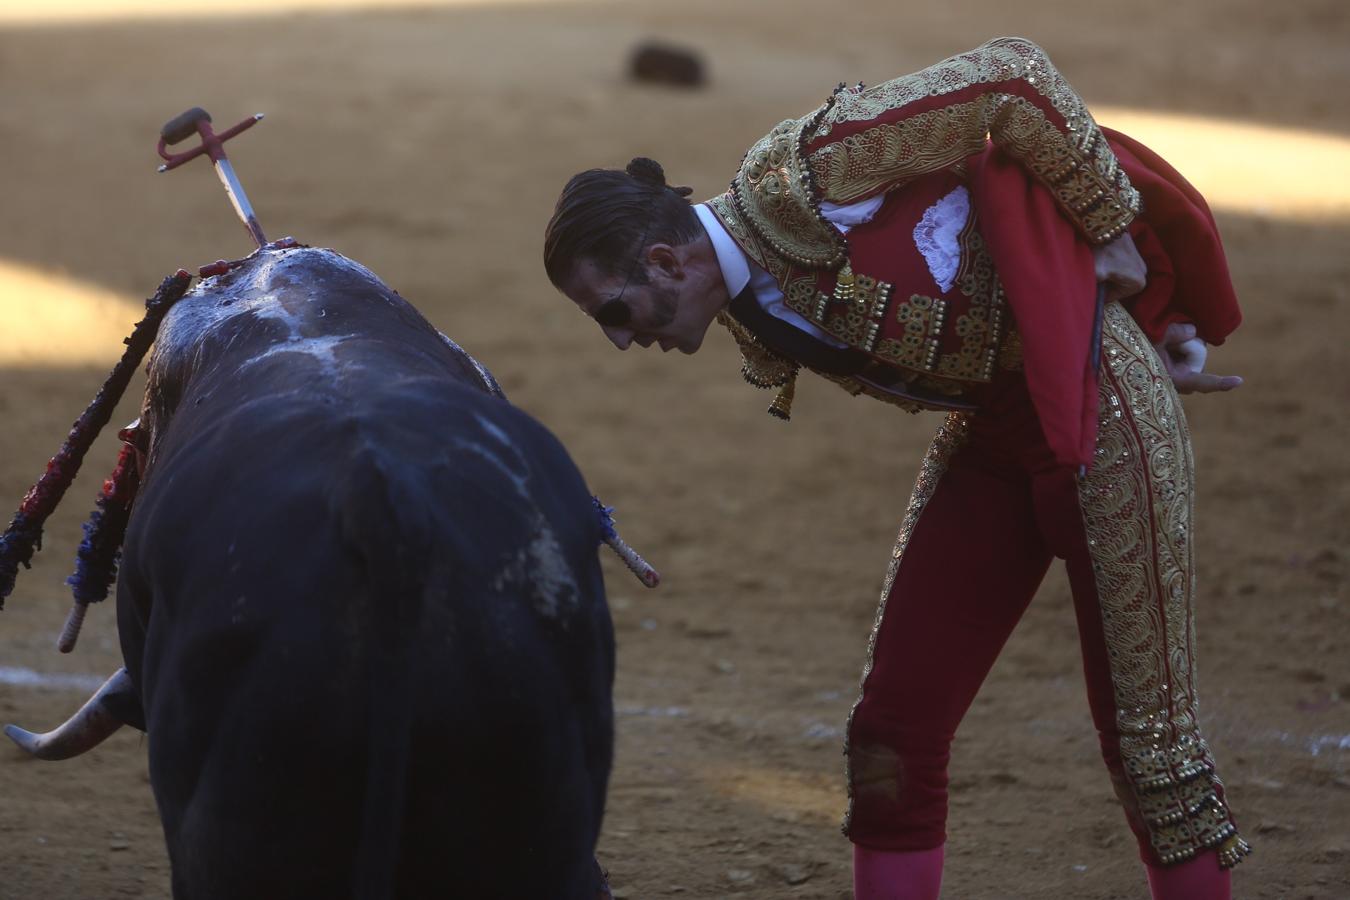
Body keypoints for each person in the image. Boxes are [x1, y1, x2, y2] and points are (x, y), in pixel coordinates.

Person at [543, 36, 1250, 900]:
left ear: (665, 260)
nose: (621, 339)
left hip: (1107, 417)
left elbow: (1009, 76)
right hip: (996, 431)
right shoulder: (736, 296)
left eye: (615, 310)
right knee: (889, 738)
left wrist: (1113, 232)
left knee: (1152, 747)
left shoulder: (809, 176)